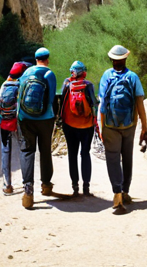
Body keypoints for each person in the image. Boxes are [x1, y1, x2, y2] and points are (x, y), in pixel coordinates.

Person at [98, 45, 147, 215]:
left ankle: (117, 193)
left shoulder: (106, 76)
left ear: (112, 60)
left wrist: (101, 127)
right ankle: (125, 191)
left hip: (110, 125)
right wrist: (144, 127)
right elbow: (140, 103)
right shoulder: (132, 77)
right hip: (129, 125)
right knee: (127, 158)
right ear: (125, 59)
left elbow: (102, 105)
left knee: (112, 159)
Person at [17, 47, 58, 209]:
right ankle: (46, 185)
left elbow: (20, 94)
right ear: (47, 59)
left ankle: (28, 190)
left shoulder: (26, 73)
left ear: (35, 59)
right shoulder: (49, 74)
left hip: (25, 118)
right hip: (45, 119)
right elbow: (52, 98)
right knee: (45, 150)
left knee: (27, 151)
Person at [0, 61, 32, 194]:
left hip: (4, 123)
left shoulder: (5, 84)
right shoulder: (22, 84)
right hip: (18, 123)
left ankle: (7, 185)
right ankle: (27, 185)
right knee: (24, 151)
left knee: (5, 152)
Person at [60, 61, 98, 196]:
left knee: (72, 154)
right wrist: (96, 123)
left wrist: (60, 121)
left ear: (72, 72)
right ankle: (86, 187)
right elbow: (94, 104)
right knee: (85, 154)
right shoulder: (88, 85)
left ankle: (75, 186)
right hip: (86, 125)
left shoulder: (66, 83)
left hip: (69, 125)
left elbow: (62, 103)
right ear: (84, 73)